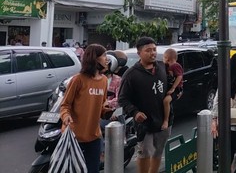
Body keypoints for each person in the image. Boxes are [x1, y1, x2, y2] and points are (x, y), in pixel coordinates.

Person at [118, 37, 170, 173]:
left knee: (158, 151)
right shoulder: (131, 75)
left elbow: (172, 87)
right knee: (145, 152)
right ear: (139, 53)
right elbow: (122, 99)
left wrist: (173, 96)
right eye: (148, 50)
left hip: (164, 120)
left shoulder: (162, 67)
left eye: (154, 49)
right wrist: (135, 112)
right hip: (145, 123)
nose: (153, 53)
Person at [60, 44, 111, 173]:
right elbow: (65, 104)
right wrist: (66, 116)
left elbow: (102, 106)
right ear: (94, 58)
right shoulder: (78, 80)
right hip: (74, 136)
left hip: (94, 136)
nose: (107, 59)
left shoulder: (104, 80)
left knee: (93, 170)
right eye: (104, 55)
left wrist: (108, 112)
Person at [161, 48, 183, 131]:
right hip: (170, 87)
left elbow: (179, 76)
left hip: (177, 89)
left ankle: (166, 120)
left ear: (167, 58)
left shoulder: (175, 65)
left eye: (163, 57)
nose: (163, 60)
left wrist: (173, 87)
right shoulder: (167, 66)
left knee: (166, 101)